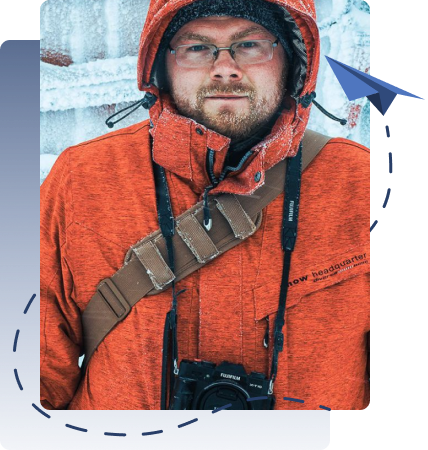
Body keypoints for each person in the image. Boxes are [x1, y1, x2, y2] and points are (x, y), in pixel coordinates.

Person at [40, 0, 370, 411]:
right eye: (196, 47)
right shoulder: (83, 179)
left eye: (250, 45)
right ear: (160, 66)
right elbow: (32, 380)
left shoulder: (359, 183)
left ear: (293, 62)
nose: (225, 68)